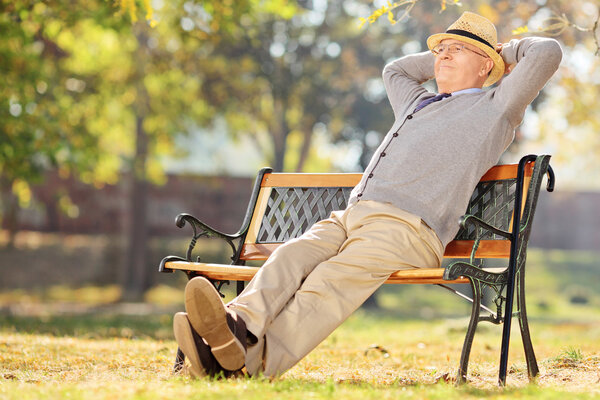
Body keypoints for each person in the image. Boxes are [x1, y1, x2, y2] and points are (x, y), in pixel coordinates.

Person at [172, 11, 562, 378]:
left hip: (407, 229)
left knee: (329, 281)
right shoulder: (417, 102)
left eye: (456, 50)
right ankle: (237, 326)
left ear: (484, 66)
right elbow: (396, 69)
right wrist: (446, 53)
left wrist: (502, 53)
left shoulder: (495, 107)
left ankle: (249, 364)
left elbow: (548, 52)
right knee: (292, 255)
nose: (443, 55)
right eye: (440, 49)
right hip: (351, 215)